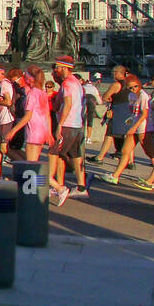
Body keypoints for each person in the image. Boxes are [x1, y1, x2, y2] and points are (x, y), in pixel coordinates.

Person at [47, 57, 89, 206]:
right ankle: (80, 186)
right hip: (77, 125)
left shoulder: (68, 83)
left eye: (57, 67)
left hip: (68, 125)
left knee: (53, 153)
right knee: (73, 156)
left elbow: (67, 105)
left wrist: (60, 125)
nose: (55, 70)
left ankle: (56, 186)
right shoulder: (76, 83)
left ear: (65, 68)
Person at [100, 75, 149, 185]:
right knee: (125, 151)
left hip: (142, 127)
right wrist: (129, 123)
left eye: (135, 86)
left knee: (150, 152)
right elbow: (132, 112)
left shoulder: (143, 95)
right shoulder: (131, 96)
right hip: (133, 127)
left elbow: (144, 114)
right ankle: (115, 176)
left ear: (139, 84)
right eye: (130, 88)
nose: (133, 89)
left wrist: (134, 127)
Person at [6, 65, 51, 165]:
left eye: (25, 75)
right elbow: (47, 115)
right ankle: (48, 180)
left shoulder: (32, 94)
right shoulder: (42, 93)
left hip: (33, 131)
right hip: (41, 130)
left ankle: (50, 181)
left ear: (30, 78)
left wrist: (13, 130)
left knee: (31, 165)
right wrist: (49, 132)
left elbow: (27, 116)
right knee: (34, 163)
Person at [94, 65, 131, 162]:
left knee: (109, 134)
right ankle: (131, 161)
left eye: (115, 72)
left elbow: (105, 96)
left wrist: (109, 99)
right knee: (128, 137)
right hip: (128, 112)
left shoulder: (117, 85)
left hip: (117, 111)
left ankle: (100, 157)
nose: (113, 74)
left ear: (120, 73)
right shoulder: (130, 83)